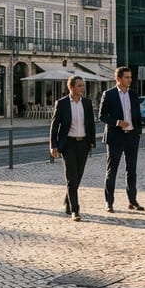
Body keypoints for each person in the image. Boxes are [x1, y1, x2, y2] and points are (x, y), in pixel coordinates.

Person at [98, 66, 144, 212]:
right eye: (127, 77)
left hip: (132, 136)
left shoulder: (133, 94)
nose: (130, 80)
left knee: (132, 170)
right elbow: (102, 116)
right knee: (112, 170)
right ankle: (109, 202)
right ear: (118, 79)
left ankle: (132, 200)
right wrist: (117, 122)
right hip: (115, 137)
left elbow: (137, 115)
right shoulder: (109, 94)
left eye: (130, 77)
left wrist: (138, 132)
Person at [50, 75, 95, 221]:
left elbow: (90, 124)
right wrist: (53, 145)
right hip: (68, 144)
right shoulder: (62, 103)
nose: (83, 88)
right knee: (71, 177)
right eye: (80, 85)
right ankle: (75, 210)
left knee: (78, 176)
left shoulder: (87, 103)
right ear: (71, 87)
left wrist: (92, 142)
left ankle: (68, 201)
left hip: (83, 144)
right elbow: (55, 125)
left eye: (83, 85)